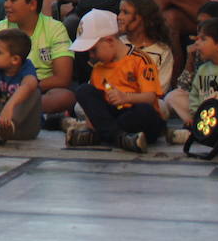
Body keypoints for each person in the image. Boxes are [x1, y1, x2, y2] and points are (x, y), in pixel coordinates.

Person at [63, 10, 163, 151]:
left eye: (94, 50)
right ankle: (119, 138)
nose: (91, 56)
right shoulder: (98, 68)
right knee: (84, 90)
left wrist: (125, 97)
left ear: (109, 41)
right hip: (113, 116)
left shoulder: (141, 60)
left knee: (145, 111)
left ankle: (102, 136)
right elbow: (96, 105)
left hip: (136, 115)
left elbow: (150, 97)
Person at [0, 0, 76, 115]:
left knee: (64, 96)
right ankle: (24, 114)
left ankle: (12, 113)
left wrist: (25, 88)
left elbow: (63, 78)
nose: (6, 4)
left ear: (32, 4)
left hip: (38, 91)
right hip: (4, 90)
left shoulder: (55, 28)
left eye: (12, 0)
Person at [118, 0, 173, 93]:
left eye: (125, 13)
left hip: (143, 103)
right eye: (120, 12)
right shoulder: (117, 44)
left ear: (142, 19)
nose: (119, 17)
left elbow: (160, 90)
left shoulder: (162, 51)